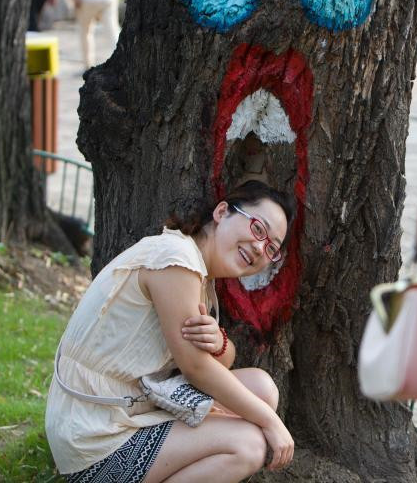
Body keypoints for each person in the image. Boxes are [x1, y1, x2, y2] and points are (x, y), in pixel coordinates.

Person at [46, 180, 296, 482]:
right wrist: (270, 422)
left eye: (271, 248)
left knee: (261, 388)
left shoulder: (199, 275)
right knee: (248, 446)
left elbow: (213, 362)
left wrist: (219, 342)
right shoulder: (176, 259)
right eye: (258, 228)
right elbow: (195, 369)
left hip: (136, 406)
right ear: (221, 212)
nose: (259, 247)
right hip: (93, 438)